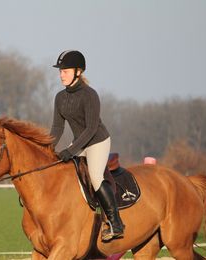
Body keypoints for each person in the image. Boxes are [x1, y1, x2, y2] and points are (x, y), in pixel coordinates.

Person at [50, 50, 124, 241]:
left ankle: (115, 224)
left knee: (95, 177)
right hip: (80, 141)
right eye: (60, 71)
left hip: (97, 140)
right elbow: (57, 128)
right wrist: (46, 148)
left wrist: (71, 150)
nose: (61, 75)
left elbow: (91, 129)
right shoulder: (60, 97)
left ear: (78, 71)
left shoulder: (90, 95)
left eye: (65, 71)